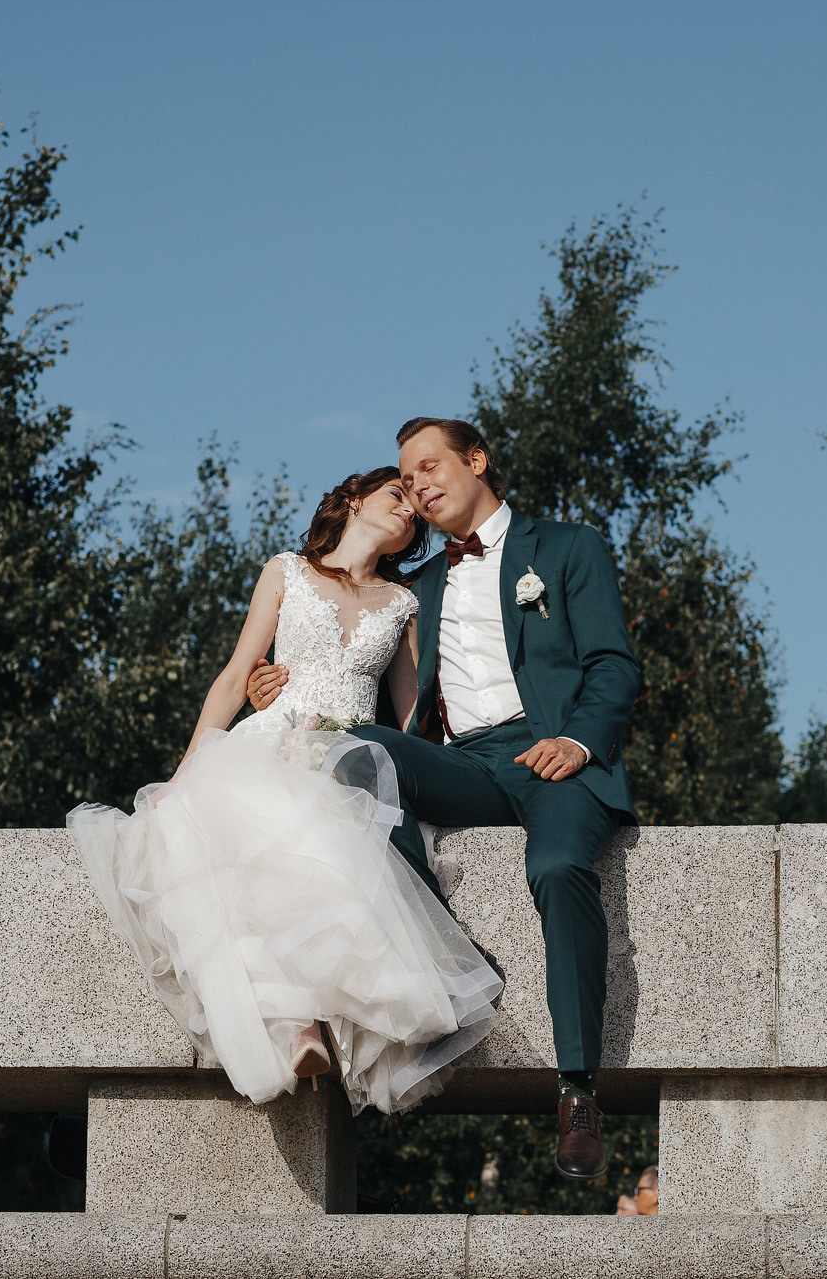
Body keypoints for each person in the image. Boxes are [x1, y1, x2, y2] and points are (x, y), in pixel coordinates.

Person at [249, 417, 639, 1180]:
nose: (419, 485)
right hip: (465, 760)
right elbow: (366, 672)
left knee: (559, 867)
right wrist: (275, 682)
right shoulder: (414, 590)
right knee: (351, 746)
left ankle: (578, 1091)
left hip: (554, 752)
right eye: (407, 477)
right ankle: (446, 950)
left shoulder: (567, 548)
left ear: (478, 460)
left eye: (429, 466)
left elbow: (612, 667)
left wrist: (579, 742)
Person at [68, 467, 502, 1115]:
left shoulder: (404, 602)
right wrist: (184, 773)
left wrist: (422, 786)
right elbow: (236, 674)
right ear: (353, 498)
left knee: (326, 857)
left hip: (348, 754)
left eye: (415, 510)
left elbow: (412, 722)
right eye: (396, 496)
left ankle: (313, 1019)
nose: (408, 513)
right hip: (273, 740)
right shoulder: (286, 572)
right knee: (258, 839)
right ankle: (296, 1023)